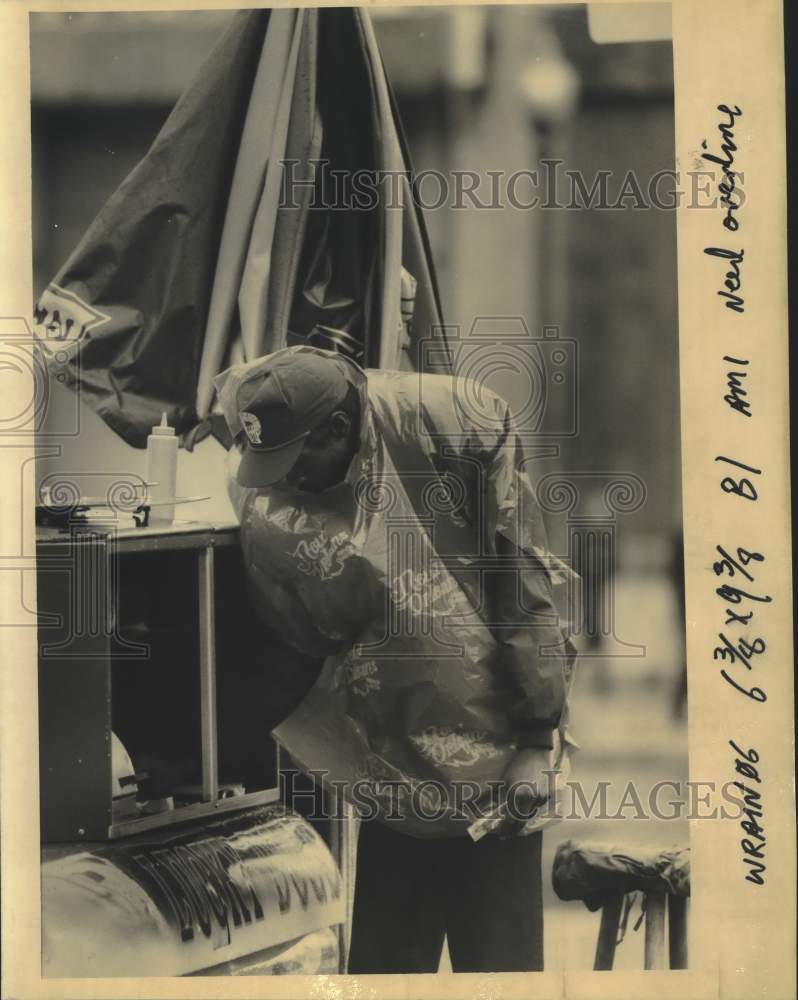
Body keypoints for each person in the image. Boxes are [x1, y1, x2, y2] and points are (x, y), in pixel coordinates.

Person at [216, 344, 576, 974]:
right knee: (383, 972)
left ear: (336, 428)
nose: (287, 480)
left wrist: (534, 742)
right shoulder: (278, 500)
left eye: (297, 461)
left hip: (497, 779)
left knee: (500, 974)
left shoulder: (450, 426)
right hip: (395, 775)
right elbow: (296, 651)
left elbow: (521, 588)